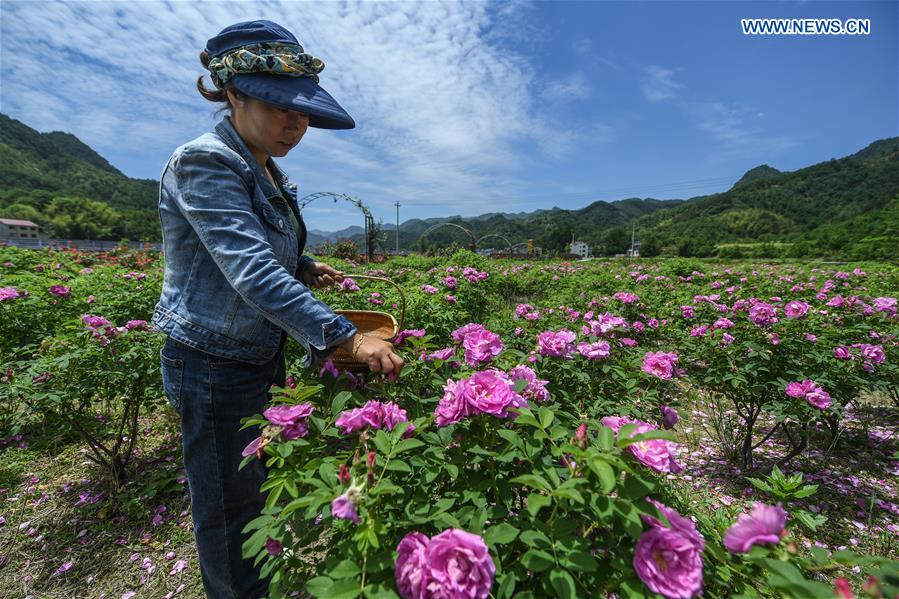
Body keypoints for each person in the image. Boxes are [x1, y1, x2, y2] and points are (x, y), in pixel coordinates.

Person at [152, 19, 404, 599]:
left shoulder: (266, 165)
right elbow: (250, 271)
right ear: (232, 93)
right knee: (227, 510)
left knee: (252, 487)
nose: (296, 123)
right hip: (211, 360)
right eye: (278, 106)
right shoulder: (206, 162)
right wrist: (345, 337)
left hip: (255, 350)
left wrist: (306, 265)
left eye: (304, 112)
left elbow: (264, 246)